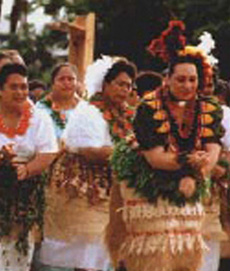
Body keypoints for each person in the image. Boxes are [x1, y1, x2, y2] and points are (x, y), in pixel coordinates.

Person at [106, 20, 224, 271]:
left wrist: (202, 168)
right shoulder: (149, 108)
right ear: (167, 79)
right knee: (154, 253)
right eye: (181, 80)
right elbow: (156, 158)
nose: (187, 86)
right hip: (149, 184)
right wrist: (189, 166)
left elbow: (213, 146)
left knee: (184, 251)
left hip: (190, 182)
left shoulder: (208, 107)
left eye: (192, 80)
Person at [37, 55, 137, 271]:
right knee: (87, 252)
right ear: (106, 84)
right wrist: (132, 155)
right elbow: (91, 152)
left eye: (129, 86)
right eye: (120, 84)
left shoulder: (126, 114)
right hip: (83, 188)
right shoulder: (90, 111)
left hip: (112, 188)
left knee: (104, 252)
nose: (125, 90)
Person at [0, 63, 58, 271]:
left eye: (24, 87)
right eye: (14, 87)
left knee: (16, 255)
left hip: (23, 199)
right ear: (1, 90)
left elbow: (49, 152)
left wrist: (27, 170)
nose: (21, 92)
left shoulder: (38, 118)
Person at [36, 62, 83, 141]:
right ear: (53, 84)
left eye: (70, 79)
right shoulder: (41, 108)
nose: (66, 83)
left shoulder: (85, 109)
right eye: (61, 79)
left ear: (77, 82)